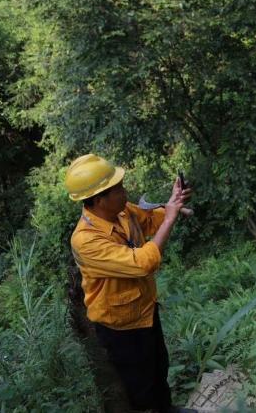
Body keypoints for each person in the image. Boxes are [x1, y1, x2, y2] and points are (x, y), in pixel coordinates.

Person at [64, 153, 195, 413]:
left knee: (159, 366)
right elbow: (142, 262)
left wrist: (172, 205)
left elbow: (150, 221)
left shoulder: (121, 211)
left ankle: (166, 408)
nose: (125, 191)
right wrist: (169, 218)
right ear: (99, 200)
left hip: (144, 308)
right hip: (120, 324)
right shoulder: (85, 240)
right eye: (118, 189)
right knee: (139, 384)